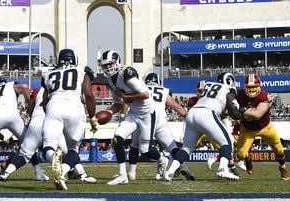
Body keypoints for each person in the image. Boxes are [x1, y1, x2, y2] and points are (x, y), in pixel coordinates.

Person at [100, 50, 168, 186]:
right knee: (116, 138)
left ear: (117, 62)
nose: (108, 67)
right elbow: (118, 105)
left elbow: (145, 94)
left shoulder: (127, 73)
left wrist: (125, 97)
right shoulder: (109, 80)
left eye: (110, 64)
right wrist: (106, 113)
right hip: (134, 113)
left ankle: (162, 159)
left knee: (145, 151)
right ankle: (122, 176)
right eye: (105, 65)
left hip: (147, 113)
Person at [163, 72, 244, 181]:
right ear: (230, 81)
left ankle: (170, 172)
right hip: (207, 114)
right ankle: (222, 169)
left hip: (192, 114)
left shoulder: (207, 85)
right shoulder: (229, 89)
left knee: (186, 149)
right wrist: (240, 112)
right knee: (228, 142)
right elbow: (232, 111)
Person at [40, 48, 98, 190]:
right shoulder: (82, 70)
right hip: (74, 107)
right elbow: (89, 94)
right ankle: (62, 171)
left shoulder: (48, 73)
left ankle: (54, 160)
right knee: (73, 149)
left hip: (53, 107)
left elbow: (45, 100)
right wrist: (93, 118)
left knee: (47, 146)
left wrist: (49, 114)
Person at [126, 72, 194, 181]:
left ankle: (132, 173)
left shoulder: (141, 88)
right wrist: (189, 117)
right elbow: (176, 107)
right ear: (158, 81)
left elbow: (129, 103)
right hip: (161, 121)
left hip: (145, 119)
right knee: (173, 148)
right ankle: (183, 166)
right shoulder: (164, 90)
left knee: (135, 146)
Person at [235, 73, 289, 181]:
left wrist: (240, 110)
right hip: (247, 129)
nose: (251, 90)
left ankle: (282, 168)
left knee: (279, 150)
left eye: (254, 87)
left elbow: (257, 114)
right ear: (244, 86)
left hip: (265, 127)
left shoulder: (264, 96)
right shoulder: (238, 94)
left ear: (259, 86)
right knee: (240, 155)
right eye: (249, 87)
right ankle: (248, 159)